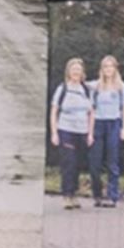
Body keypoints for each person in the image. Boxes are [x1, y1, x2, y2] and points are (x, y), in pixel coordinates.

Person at [50, 55, 93, 204]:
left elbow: (91, 113)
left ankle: (74, 194)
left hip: (82, 132)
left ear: (82, 73)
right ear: (68, 72)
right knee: (69, 163)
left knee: (78, 165)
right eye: (73, 69)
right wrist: (54, 133)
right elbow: (54, 111)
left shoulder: (86, 90)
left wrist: (90, 134)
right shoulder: (62, 89)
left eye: (78, 70)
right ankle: (67, 196)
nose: (76, 72)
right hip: (65, 130)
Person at [91, 54, 124, 203]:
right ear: (102, 69)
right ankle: (97, 194)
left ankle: (112, 195)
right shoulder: (96, 86)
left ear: (115, 68)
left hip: (113, 124)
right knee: (95, 163)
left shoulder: (121, 86)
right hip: (98, 124)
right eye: (105, 66)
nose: (108, 69)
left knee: (112, 162)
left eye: (111, 66)